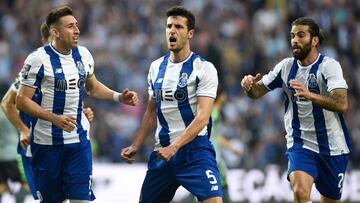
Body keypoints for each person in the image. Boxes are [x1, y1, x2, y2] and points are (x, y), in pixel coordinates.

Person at [16, 6, 138, 203]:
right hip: (47, 145)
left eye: (77, 25)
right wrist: (53, 118)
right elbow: (21, 100)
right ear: (55, 32)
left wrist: (118, 97)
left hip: (78, 142)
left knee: (81, 200)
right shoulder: (38, 59)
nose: (77, 30)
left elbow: (92, 87)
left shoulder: (83, 55)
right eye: (70, 26)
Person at [241, 17, 351, 203]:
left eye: (301, 35)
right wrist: (249, 86)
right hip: (300, 143)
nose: (294, 40)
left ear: (314, 40)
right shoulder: (286, 67)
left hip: (333, 147)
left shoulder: (329, 66)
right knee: (300, 192)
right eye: (292, 36)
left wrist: (311, 95)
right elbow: (257, 92)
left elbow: (342, 104)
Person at [121, 6, 223, 203]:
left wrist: (174, 147)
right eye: (169, 26)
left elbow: (203, 117)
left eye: (178, 26)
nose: (172, 31)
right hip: (162, 153)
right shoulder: (156, 67)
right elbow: (151, 111)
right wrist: (136, 144)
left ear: (190, 33)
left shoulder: (204, 68)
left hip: (195, 151)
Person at [0, 21, 94, 202]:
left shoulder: (67, 69)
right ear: (45, 41)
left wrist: (82, 114)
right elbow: (7, 103)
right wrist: (22, 129)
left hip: (66, 144)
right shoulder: (32, 70)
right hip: (37, 147)